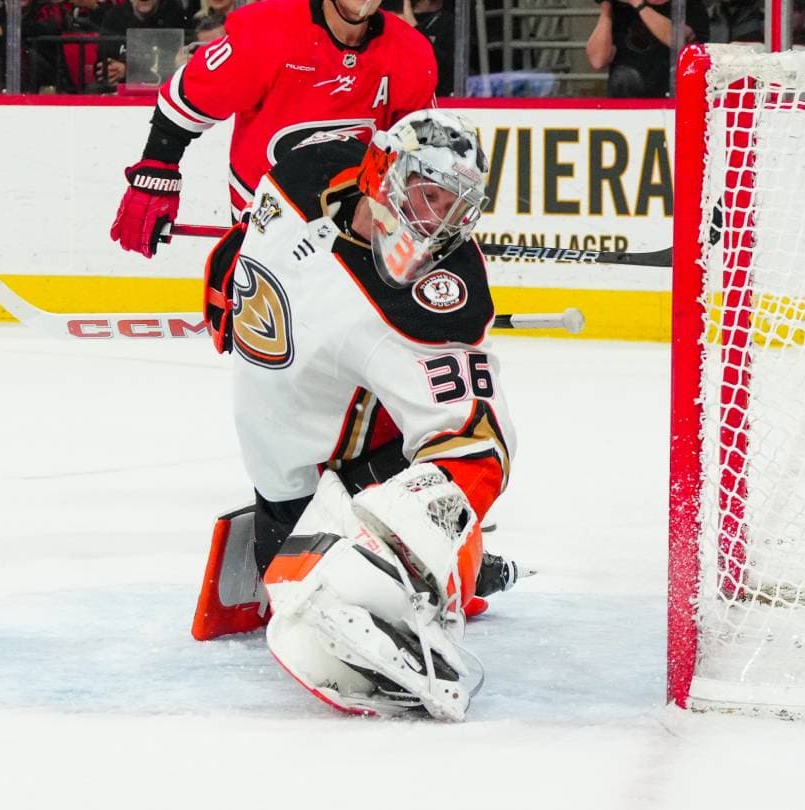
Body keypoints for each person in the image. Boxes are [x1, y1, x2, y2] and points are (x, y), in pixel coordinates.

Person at [193, 109, 519, 720]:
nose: (437, 223)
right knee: (282, 581)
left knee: (335, 602)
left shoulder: (428, 305)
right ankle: (470, 562)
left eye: (455, 207)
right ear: (379, 172)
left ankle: (457, 563)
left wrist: (411, 529)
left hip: (343, 491)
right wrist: (225, 293)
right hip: (281, 486)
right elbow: (248, 244)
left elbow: (478, 444)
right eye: (427, 196)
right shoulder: (297, 175)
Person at [109, 0, 438, 258]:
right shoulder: (270, 32)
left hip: (358, 233)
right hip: (263, 226)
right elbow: (189, 97)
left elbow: (415, 149)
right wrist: (157, 170)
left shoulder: (409, 51)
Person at [585, 0, 710, 98]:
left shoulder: (688, 7)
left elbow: (679, 41)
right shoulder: (621, 10)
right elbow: (597, 60)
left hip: (672, 104)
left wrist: (639, 5)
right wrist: (607, 9)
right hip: (626, 105)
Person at [94, 0, 190, 87]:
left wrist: (129, 71)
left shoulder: (175, 16)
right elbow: (101, 69)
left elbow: (182, 65)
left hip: (167, 93)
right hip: (123, 95)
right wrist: (111, 71)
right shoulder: (114, 17)